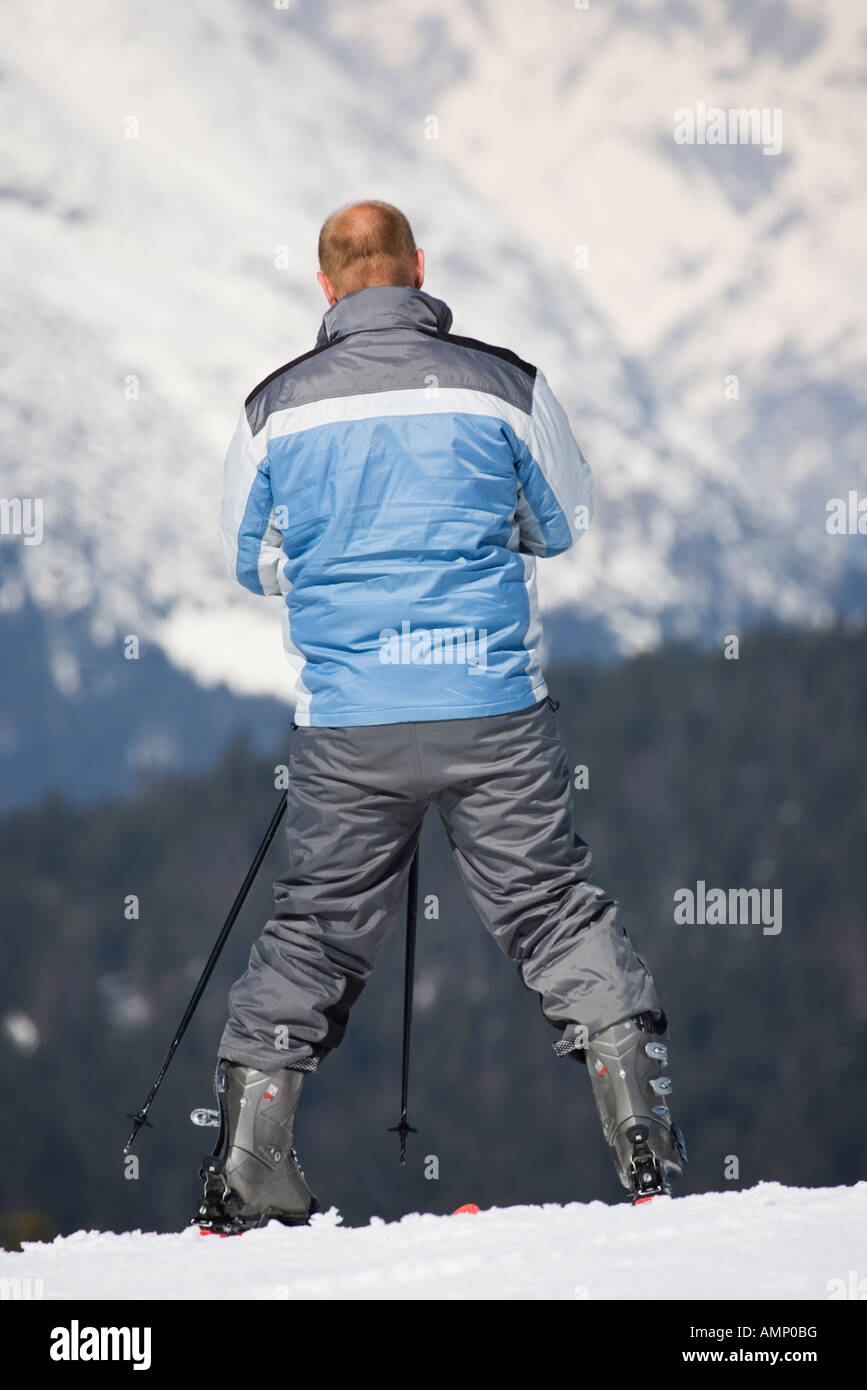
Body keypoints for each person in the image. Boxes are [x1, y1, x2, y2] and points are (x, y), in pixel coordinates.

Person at [195, 200, 686, 1233]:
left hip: (350, 724)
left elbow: (250, 560)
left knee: (316, 931)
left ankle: (250, 1164)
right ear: (417, 268)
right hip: (492, 707)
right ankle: (644, 1136)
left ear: (326, 286)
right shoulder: (506, 382)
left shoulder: (273, 408)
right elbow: (565, 520)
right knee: (553, 909)